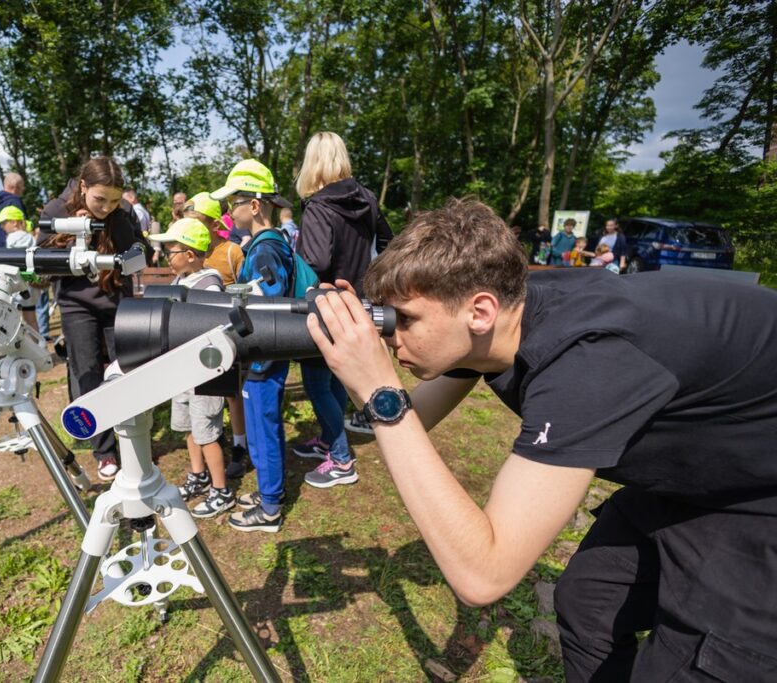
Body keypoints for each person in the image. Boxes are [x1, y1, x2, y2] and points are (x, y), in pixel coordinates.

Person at [307, 198, 777, 682]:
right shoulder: (507, 315)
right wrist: (353, 352)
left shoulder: (585, 363)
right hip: (705, 464)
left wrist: (380, 391)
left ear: (480, 311)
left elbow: (484, 575)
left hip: (760, 496)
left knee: (697, 663)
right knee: (591, 603)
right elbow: (405, 423)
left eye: (404, 319)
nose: (392, 335)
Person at [293, 131, 394, 488]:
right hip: (358, 301)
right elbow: (389, 242)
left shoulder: (318, 206)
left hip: (326, 303)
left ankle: (340, 460)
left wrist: (297, 258)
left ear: (312, 163)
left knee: (316, 382)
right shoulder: (367, 198)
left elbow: (317, 260)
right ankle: (327, 439)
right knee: (335, 376)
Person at [38, 157, 142, 481]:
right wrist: (70, 234)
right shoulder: (56, 210)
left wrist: (121, 226)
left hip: (116, 301)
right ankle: (104, 449)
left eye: (114, 200)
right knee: (87, 372)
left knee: (123, 369)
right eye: (100, 199)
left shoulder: (122, 212)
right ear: (83, 187)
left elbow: (141, 254)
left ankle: (131, 438)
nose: (107, 207)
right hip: (76, 305)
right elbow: (40, 261)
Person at [210, 159, 295, 532]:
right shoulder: (265, 245)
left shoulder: (264, 249)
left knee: (264, 427)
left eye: (234, 203)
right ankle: (266, 491)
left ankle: (270, 507)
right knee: (261, 427)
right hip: (259, 355)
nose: (230, 211)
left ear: (255, 205)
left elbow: (269, 305)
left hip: (264, 356)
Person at [148, 218, 236, 517]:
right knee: (188, 428)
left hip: (203, 374)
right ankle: (198, 475)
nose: (165, 257)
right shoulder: (180, 281)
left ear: (189, 254)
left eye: (170, 251)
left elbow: (214, 329)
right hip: (181, 371)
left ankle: (221, 490)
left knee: (206, 432)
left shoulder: (209, 285)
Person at [182, 192, 249, 477]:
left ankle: (240, 444)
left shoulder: (231, 252)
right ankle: (211, 439)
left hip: (225, 336)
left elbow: (246, 290)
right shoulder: (188, 253)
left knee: (232, 393)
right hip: (194, 338)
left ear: (213, 224)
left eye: (196, 221)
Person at [0, 205, 40, 332]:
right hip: (31, 285)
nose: (2, 226)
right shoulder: (30, 237)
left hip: (18, 285)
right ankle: (38, 342)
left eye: (4, 223)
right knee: (31, 319)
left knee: (12, 322)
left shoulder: (13, 237)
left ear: (14, 222)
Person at [0, 172, 26, 248]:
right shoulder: (14, 201)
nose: (24, 189)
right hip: (15, 247)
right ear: (16, 187)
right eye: (22, 186)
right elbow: (20, 225)